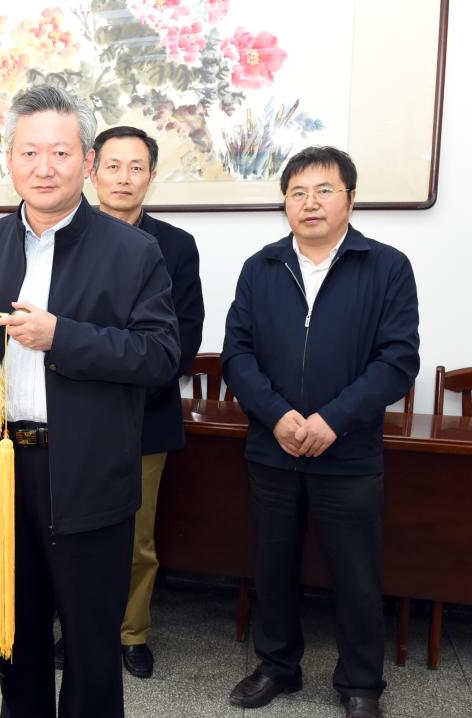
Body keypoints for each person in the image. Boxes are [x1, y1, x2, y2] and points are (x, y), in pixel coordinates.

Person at [0, 85, 180, 717]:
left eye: (60, 152)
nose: (43, 167)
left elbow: (160, 356)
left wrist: (63, 337)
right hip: (3, 473)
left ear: (87, 161)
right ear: (9, 159)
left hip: (88, 471)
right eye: (29, 152)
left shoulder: (133, 251)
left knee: (91, 645)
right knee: (14, 639)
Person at [222, 146, 419, 718]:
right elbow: (237, 354)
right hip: (273, 447)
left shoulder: (387, 267)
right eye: (298, 192)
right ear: (285, 202)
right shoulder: (261, 267)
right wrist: (278, 416)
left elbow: (397, 359)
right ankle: (277, 666)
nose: (310, 203)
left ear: (350, 199)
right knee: (273, 565)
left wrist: (333, 420)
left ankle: (361, 683)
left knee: (356, 572)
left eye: (324, 190)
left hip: (349, 451)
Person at [54, 125, 204, 677]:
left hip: (143, 418)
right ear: (91, 171)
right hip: (70, 417)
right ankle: (77, 631)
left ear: (151, 176)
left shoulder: (175, 246)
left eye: (136, 167)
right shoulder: (61, 238)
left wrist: (125, 389)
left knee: (135, 539)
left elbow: (181, 339)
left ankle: (132, 632)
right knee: (71, 534)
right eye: (113, 166)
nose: (123, 178)